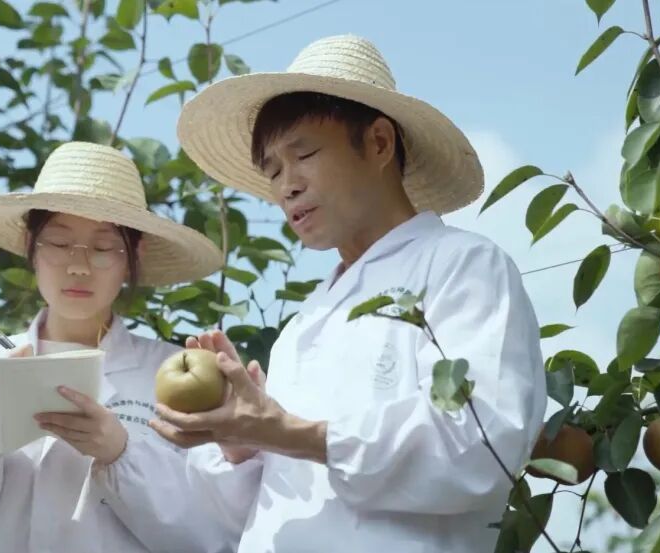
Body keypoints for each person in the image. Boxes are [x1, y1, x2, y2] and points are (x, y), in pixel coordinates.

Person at [152, 34, 548, 552]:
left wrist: (289, 432)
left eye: (304, 154)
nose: (287, 186)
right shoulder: (304, 325)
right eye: (273, 171)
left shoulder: (462, 266)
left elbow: (482, 445)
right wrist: (241, 440)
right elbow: (252, 515)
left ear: (379, 143)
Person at [0, 141, 237, 553]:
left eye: (103, 248)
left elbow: (211, 533)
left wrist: (120, 452)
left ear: (133, 256)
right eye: (57, 242)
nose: (78, 265)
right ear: (31, 247)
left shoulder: (170, 372)